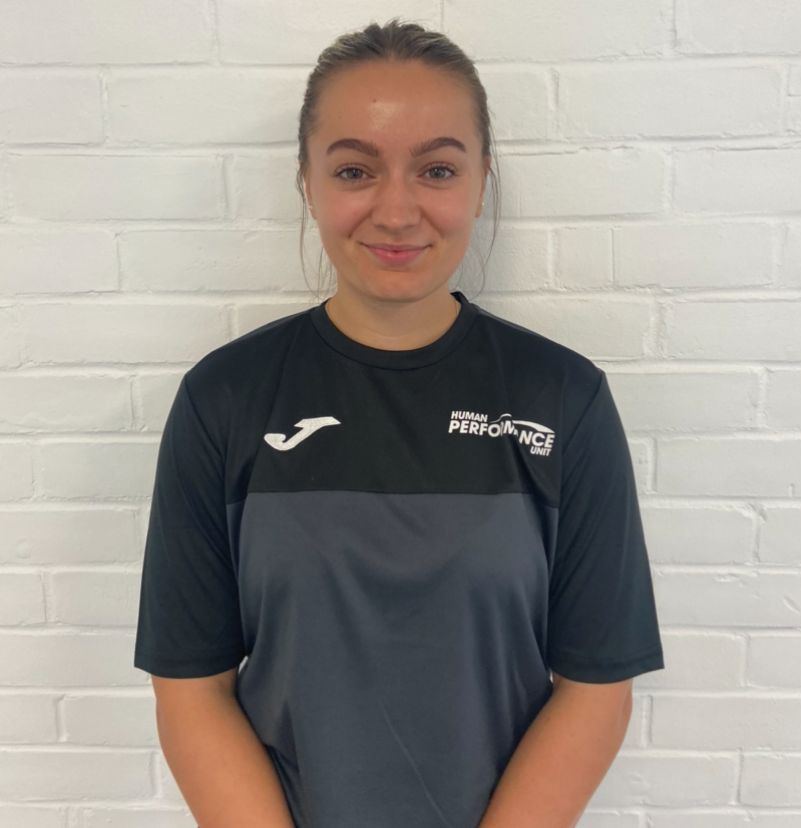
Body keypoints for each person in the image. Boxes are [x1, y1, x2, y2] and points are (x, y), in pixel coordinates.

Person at [134, 17, 665, 828]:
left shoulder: (563, 399)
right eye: (355, 170)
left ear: (481, 182)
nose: (395, 210)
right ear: (308, 182)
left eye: (437, 170)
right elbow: (190, 688)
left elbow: (596, 689)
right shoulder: (225, 400)